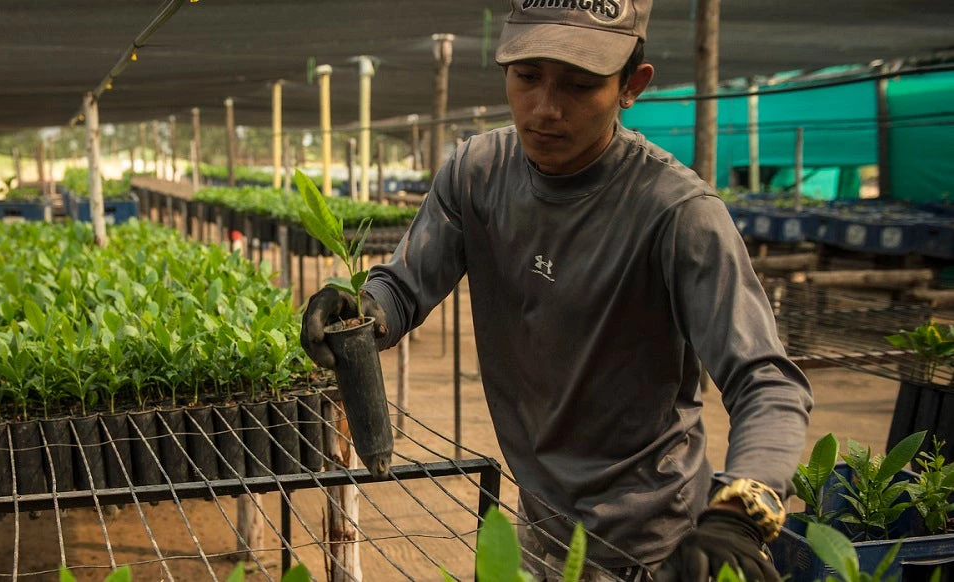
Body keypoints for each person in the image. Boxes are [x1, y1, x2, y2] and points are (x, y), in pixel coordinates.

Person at [300, 0, 814, 579]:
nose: (545, 109)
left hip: (649, 544)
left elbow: (767, 381)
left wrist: (741, 515)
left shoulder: (675, 214)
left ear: (631, 85)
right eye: (527, 78)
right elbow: (405, 285)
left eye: (579, 85)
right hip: (537, 518)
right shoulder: (477, 173)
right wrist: (365, 312)